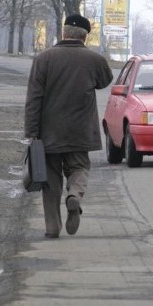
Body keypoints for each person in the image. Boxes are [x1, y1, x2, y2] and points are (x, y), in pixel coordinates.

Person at [24, 14, 113, 239]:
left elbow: (33, 98)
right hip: (80, 130)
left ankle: (52, 228)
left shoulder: (43, 59)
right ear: (85, 36)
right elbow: (104, 81)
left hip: (49, 132)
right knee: (79, 168)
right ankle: (74, 194)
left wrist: (31, 133)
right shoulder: (95, 60)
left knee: (51, 180)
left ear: (64, 33)